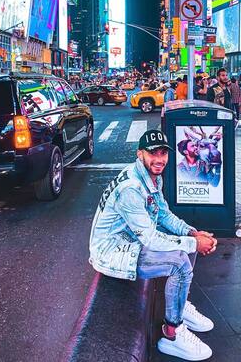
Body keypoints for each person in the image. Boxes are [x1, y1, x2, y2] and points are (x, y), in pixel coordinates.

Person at [89, 130, 217, 361]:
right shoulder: (131, 188)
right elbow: (150, 239)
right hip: (113, 251)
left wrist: (192, 233)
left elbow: (165, 216)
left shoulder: (151, 176)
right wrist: (194, 243)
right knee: (179, 262)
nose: (159, 159)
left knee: (187, 243)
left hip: (131, 239)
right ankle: (172, 334)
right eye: (152, 153)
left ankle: (180, 303)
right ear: (140, 154)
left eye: (162, 153)